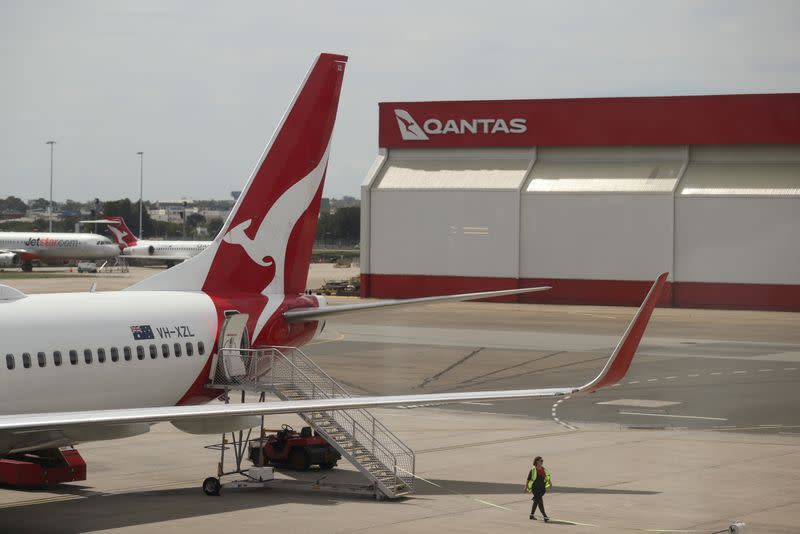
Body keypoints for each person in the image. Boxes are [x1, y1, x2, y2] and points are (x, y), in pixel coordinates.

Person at [524, 456, 551, 521]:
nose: (542, 462)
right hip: (535, 488)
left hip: (542, 488)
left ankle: (531, 515)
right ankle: (545, 516)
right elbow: (528, 479)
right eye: (541, 461)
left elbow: (546, 477)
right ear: (537, 461)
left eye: (542, 461)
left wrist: (550, 482)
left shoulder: (543, 469)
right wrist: (526, 487)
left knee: (536, 501)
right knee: (540, 501)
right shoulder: (533, 470)